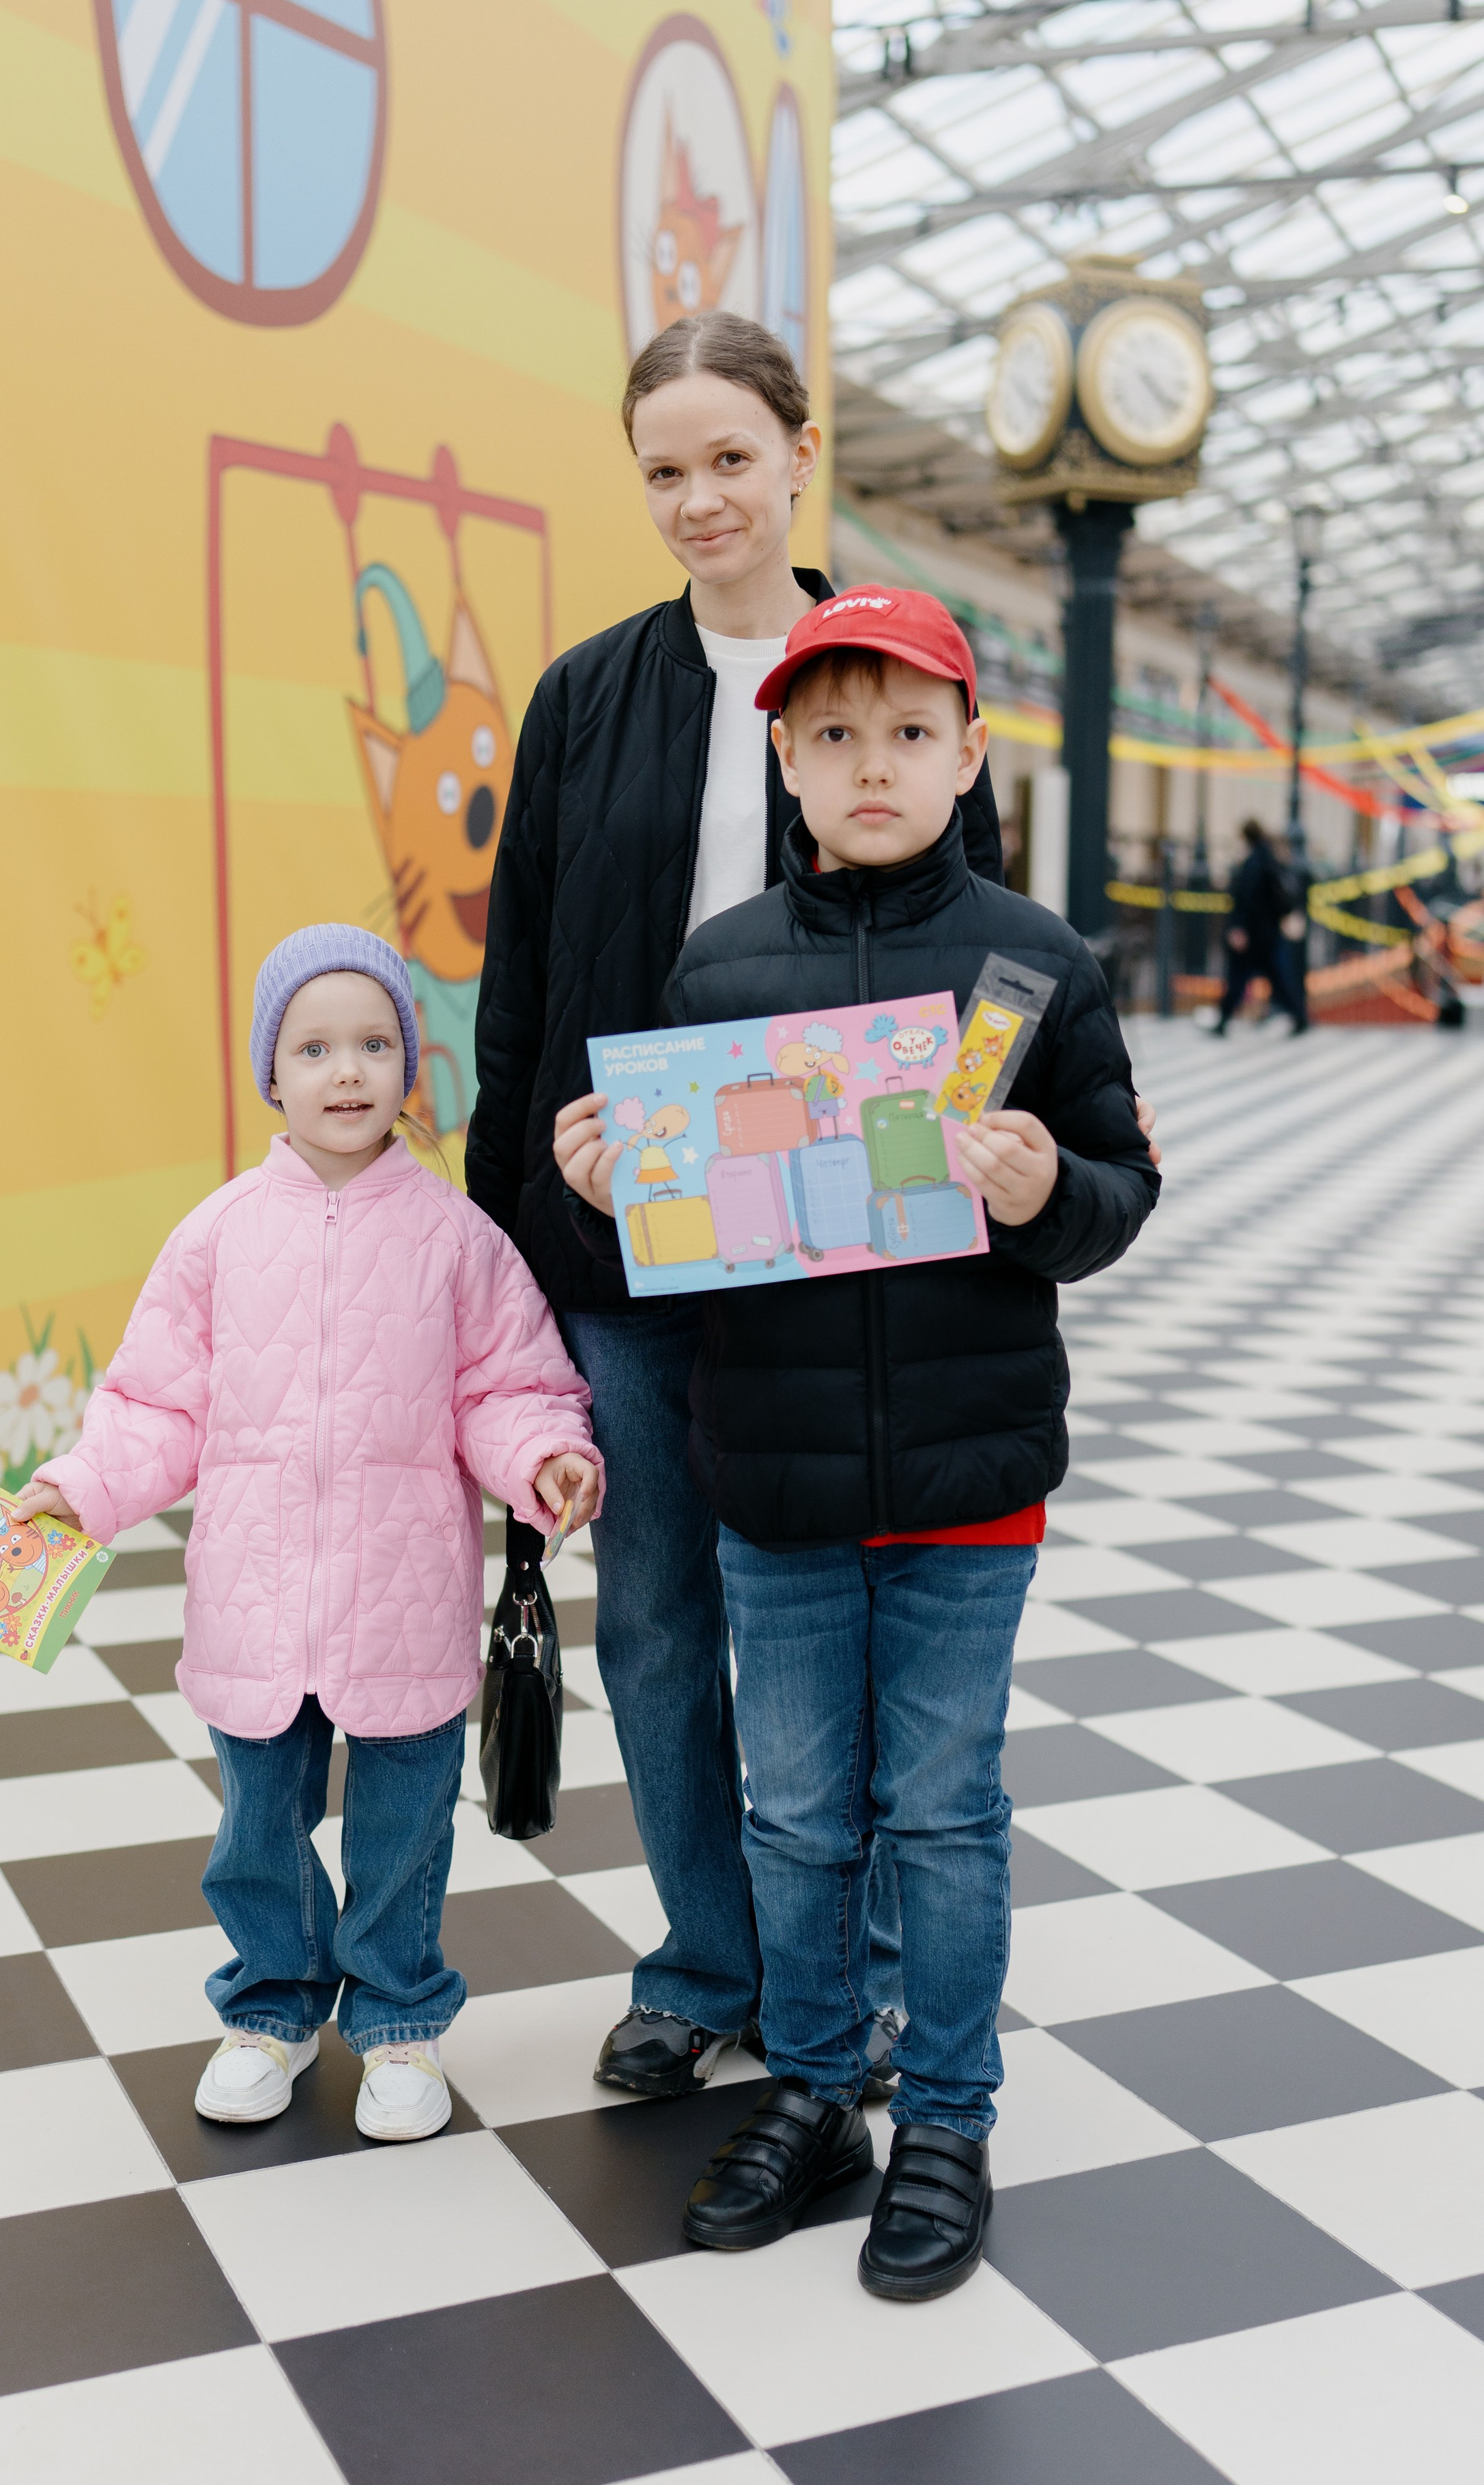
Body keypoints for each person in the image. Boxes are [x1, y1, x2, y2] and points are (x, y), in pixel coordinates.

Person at [558, 587, 1158, 2297]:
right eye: (832, 735)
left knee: (944, 1811)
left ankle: (947, 2116)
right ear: (783, 761)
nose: (869, 763)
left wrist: (1052, 1191)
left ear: (969, 753)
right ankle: (816, 2090)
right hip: (776, 1478)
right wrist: (618, 1194)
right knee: (804, 1812)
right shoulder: (718, 965)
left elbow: (1116, 1189)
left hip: (971, 1480)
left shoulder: (1033, 961)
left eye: (906, 731)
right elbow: (676, 1238)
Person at [466, 312, 1009, 2100]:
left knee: (836, 1620)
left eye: (726, 458)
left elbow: (975, 964)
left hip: (831, 1256)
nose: (697, 498)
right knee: (663, 1616)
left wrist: (980, 1171)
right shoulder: (584, 697)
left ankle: (840, 1980)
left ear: (799, 454)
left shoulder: (895, 675)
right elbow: (526, 972)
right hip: (629, 1247)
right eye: (663, 470)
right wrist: (510, 1228)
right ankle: (706, 1957)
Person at [12, 926, 601, 2144]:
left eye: (375, 1043)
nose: (348, 1071)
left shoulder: (455, 1239)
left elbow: (507, 1387)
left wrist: (546, 1458)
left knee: (403, 1827)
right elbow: (155, 1405)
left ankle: (396, 2019)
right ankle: (270, 2007)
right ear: (271, 1073)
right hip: (256, 1596)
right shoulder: (219, 1234)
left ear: (410, 1066)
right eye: (316, 1046)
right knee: (257, 1827)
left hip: (404, 1597)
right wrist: (80, 1487)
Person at [1215, 819, 1307, 1034]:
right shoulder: (1269, 859)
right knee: (1277, 978)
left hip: (1257, 935)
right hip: (1268, 933)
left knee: (1240, 978)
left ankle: (1223, 1020)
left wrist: (1240, 927)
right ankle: (1299, 1016)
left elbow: (1248, 899)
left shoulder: (1254, 863)